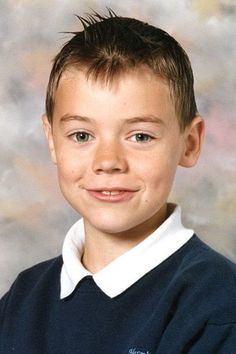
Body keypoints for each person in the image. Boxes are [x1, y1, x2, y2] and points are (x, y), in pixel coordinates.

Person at [0, 9, 236, 354]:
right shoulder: (22, 299)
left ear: (190, 142)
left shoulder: (217, 306)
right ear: (52, 140)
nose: (108, 162)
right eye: (81, 135)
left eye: (140, 136)